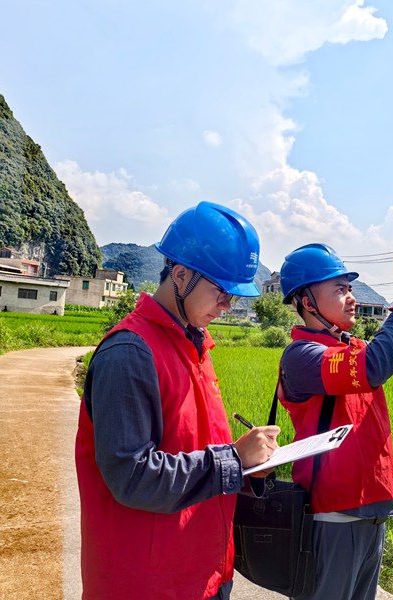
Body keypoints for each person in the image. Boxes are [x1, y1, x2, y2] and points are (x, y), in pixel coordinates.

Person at [75, 201, 280, 600]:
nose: (228, 305)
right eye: (221, 291)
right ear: (180, 274)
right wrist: (233, 459)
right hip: (147, 584)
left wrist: (249, 465)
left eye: (234, 296)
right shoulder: (130, 353)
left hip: (203, 571)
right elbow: (131, 475)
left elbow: (194, 451)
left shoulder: (195, 347)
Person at [277, 242, 393, 600]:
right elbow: (373, 367)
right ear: (308, 302)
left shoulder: (353, 348)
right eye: (340, 290)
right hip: (331, 517)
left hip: (372, 510)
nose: (352, 297)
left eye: (350, 288)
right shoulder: (302, 356)